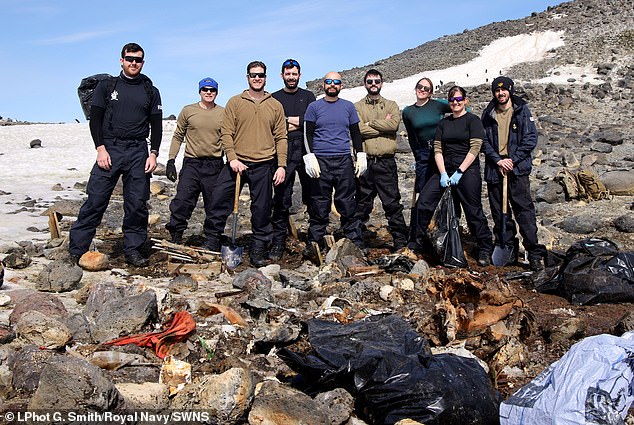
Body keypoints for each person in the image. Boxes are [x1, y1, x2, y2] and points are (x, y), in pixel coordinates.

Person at [69, 42, 162, 267]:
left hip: (138, 150)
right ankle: (77, 250)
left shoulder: (150, 90)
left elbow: (157, 125)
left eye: (138, 60)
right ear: (121, 60)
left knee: (137, 204)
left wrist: (153, 154)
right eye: (129, 58)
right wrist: (100, 148)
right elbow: (96, 120)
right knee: (96, 200)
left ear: (143, 62)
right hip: (111, 148)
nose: (133, 63)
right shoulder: (107, 86)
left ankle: (133, 249)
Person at [202, 61, 287, 267]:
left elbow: (281, 137)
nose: (257, 78)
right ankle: (212, 241)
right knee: (219, 201)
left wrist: (281, 165)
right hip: (236, 163)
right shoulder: (235, 102)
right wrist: (232, 158)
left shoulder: (275, 105)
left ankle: (258, 248)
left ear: (266, 77)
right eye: (253, 75)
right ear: (247, 77)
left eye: (260, 75)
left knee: (262, 208)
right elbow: (227, 133)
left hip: (264, 164)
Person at [411, 86, 493, 266]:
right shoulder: (443, 123)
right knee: (424, 202)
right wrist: (442, 173)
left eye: (459, 99)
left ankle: (485, 247)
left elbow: (475, 148)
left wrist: (460, 171)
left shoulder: (473, 121)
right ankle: (418, 241)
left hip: (467, 169)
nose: (455, 103)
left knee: (473, 211)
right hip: (444, 169)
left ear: (465, 101)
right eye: (452, 100)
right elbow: (438, 150)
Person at [481, 76, 547, 271]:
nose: (500, 93)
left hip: (517, 169)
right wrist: (498, 160)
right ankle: (507, 247)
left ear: (510, 90)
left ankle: (533, 252)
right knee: (499, 212)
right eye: (497, 91)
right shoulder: (488, 113)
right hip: (496, 168)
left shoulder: (521, 110)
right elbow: (483, 141)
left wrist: (512, 160)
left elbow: (530, 138)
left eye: (503, 90)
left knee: (524, 210)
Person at [303, 71, 366, 258]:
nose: (332, 85)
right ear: (323, 84)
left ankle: (354, 242)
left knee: (347, 201)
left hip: (343, 159)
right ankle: (315, 242)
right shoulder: (314, 107)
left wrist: (360, 154)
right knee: (319, 202)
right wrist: (309, 156)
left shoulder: (348, 107)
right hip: (321, 160)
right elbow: (307, 133)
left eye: (336, 82)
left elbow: (355, 133)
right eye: (328, 81)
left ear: (341, 85)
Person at [164, 78, 224, 245]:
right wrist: (170, 160)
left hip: (215, 164)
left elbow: (229, 138)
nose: (209, 92)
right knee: (183, 200)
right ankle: (176, 234)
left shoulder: (223, 113)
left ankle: (213, 239)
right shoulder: (188, 110)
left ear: (216, 92)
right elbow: (178, 136)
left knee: (215, 204)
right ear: (200, 91)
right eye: (205, 89)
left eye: (212, 90)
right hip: (192, 163)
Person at [353, 69, 408, 250]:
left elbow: (393, 126)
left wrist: (371, 124)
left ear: (382, 83)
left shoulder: (391, 105)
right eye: (370, 81)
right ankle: (357, 241)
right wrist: (381, 125)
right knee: (362, 202)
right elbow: (358, 130)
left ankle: (400, 241)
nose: (373, 84)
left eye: (377, 81)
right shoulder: (358, 106)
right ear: (365, 84)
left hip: (386, 162)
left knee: (392, 203)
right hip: (365, 162)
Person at [270, 59, 316, 261]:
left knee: (313, 195)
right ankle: (278, 242)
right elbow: (275, 126)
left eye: (294, 74)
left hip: (307, 149)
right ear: (282, 75)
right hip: (283, 150)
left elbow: (312, 122)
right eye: (288, 74)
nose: (291, 77)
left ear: (299, 75)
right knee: (281, 198)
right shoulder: (274, 98)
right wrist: (299, 121)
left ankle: (315, 240)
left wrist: (289, 120)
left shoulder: (308, 96)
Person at [402, 78, 452, 244]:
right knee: (422, 193)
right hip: (423, 153)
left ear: (431, 92)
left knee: (444, 190)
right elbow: (411, 137)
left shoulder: (438, 105)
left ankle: (444, 232)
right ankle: (418, 236)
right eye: (419, 86)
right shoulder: (408, 112)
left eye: (426, 88)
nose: (422, 90)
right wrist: (417, 156)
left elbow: (461, 109)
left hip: (442, 151)